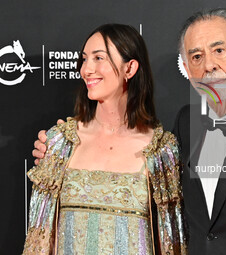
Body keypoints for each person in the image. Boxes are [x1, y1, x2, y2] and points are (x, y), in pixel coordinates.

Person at [33, 8, 226, 255]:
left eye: (219, 50)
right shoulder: (186, 124)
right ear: (188, 71)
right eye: (196, 57)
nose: (208, 66)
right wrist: (56, 150)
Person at [24, 23, 187, 255]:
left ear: (130, 68)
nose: (86, 69)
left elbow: (171, 243)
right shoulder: (61, 143)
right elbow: (38, 240)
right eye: (84, 59)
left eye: (99, 58)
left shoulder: (161, 149)